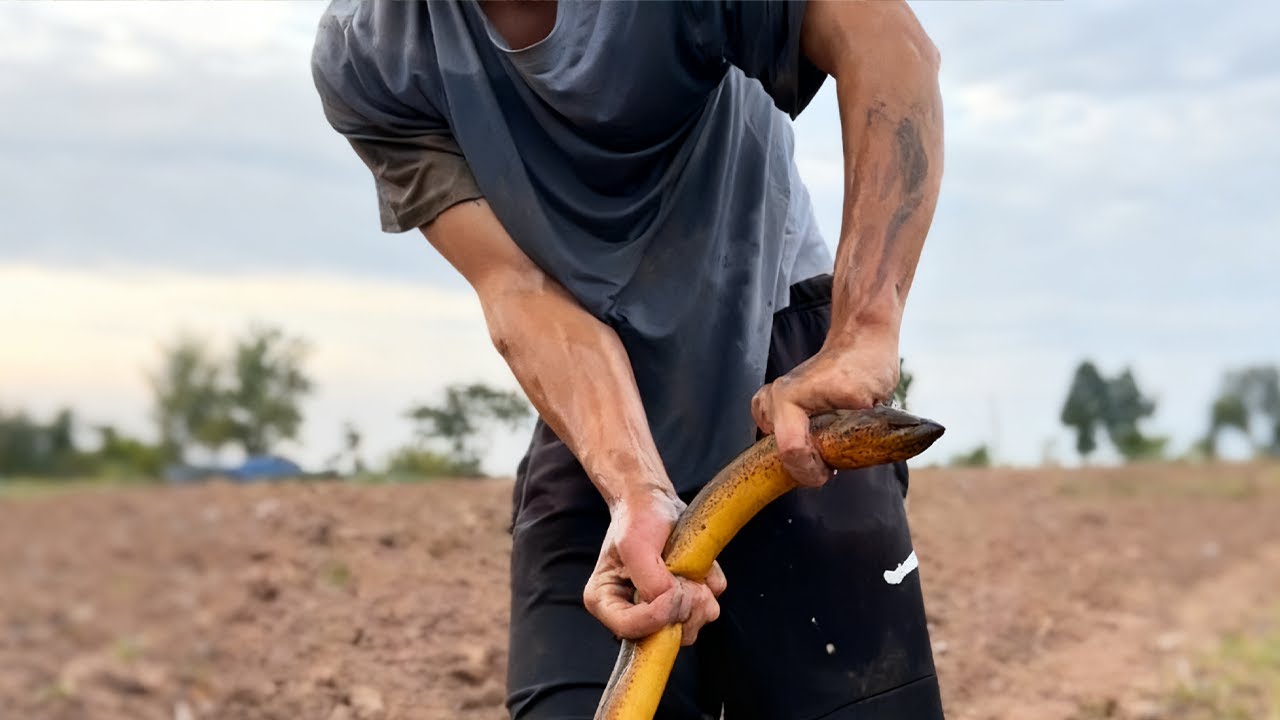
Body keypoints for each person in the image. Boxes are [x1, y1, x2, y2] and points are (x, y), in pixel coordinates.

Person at [312, 1, 944, 717]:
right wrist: (633, 489)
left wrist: (861, 329)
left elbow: (887, 44)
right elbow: (517, 288)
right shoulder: (371, 56)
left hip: (784, 358)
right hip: (598, 401)